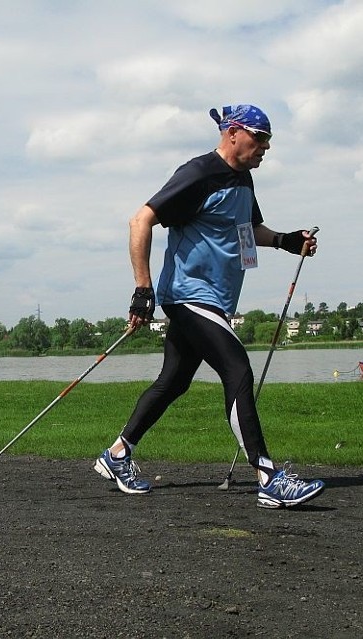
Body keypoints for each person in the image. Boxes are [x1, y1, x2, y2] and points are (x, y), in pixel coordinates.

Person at [94, 104, 325, 509]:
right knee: (237, 368)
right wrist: (143, 289)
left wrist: (287, 240)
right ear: (233, 133)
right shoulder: (198, 173)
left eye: (269, 140)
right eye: (259, 137)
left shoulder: (244, 181)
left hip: (215, 299)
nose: (265, 147)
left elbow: (247, 231)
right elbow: (140, 220)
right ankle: (268, 477)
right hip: (187, 295)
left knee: (174, 382)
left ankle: (117, 454)